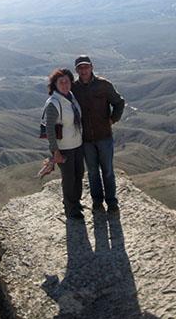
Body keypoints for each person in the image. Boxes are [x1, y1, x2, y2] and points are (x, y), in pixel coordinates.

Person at [71, 55, 125, 213]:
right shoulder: (74, 88)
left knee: (107, 171)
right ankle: (97, 201)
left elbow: (119, 102)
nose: (83, 70)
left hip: (104, 136)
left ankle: (112, 202)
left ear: (91, 67)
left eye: (86, 67)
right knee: (93, 172)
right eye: (80, 68)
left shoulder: (104, 85)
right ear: (76, 70)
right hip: (86, 139)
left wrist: (113, 119)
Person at [44, 68, 85, 219]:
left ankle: (76, 202)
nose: (65, 84)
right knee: (69, 178)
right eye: (61, 82)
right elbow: (49, 129)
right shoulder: (53, 103)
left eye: (67, 81)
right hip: (63, 148)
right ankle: (70, 208)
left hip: (77, 144)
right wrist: (55, 152)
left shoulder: (71, 97)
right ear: (54, 84)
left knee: (79, 174)